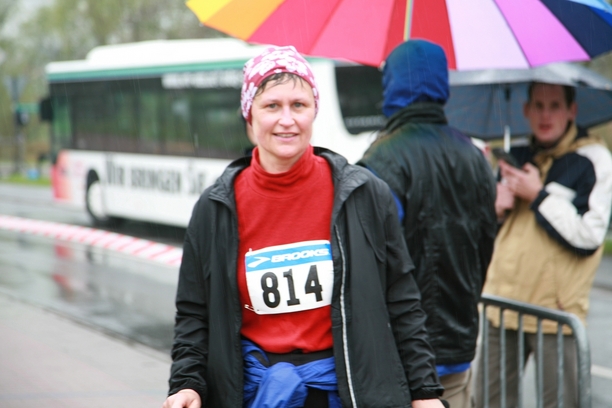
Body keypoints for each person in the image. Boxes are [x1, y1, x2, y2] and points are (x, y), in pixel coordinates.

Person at [162, 45, 447, 408]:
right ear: (250, 115)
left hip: (347, 394)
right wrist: (186, 384)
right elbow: (194, 314)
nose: (287, 119)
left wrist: (424, 392)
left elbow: (403, 302)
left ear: (314, 111)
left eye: (298, 105)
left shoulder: (364, 195)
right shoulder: (214, 208)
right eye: (272, 106)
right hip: (255, 394)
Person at [358, 40, 498, 408]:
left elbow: (373, 266)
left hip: (401, 357)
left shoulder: (382, 160)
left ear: (391, 84)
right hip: (459, 343)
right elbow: (485, 244)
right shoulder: (475, 156)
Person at [475, 82, 612, 408]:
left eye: (554, 106)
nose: (545, 115)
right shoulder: (515, 154)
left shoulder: (595, 160)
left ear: (572, 110)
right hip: (502, 307)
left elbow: (589, 237)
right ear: (526, 110)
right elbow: (485, 233)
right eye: (538, 105)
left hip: (555, 315)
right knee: (487, 403)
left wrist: (538, 195)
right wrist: (495, 209)